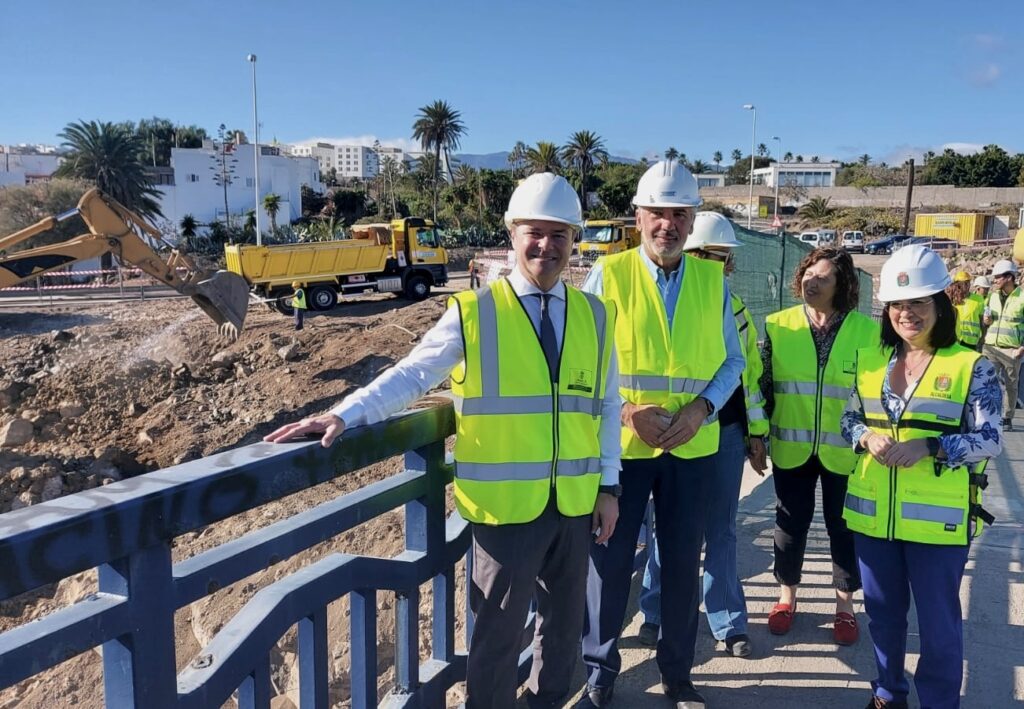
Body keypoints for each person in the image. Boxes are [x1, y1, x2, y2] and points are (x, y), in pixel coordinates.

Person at [264, 173, 622, 709]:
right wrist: (345, 412)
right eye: (534, 232)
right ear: (512, 235)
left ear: (573, 241)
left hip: (575, 502)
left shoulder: (595, 315)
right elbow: (413, 374)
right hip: (505, 512)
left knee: (565, 629)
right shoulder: (475, 312)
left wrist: (610, 486)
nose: (546, 246)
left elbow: (607, 405)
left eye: (558, 234)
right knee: (498, 641)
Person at [578, 161, 745, 709]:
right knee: (607, 564)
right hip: (621, 450)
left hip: (691, 447)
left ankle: (678, 676)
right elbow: (581, 359)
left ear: (692, 219)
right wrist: (627, 413)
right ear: (639, 215)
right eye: (658, 213)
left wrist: (700, 409)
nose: (668, 224)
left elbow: (733, 362)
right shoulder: (609, 275)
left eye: (679, 214)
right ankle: (599, 674)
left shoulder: (709, 280)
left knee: (679, 565)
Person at [840, 244, 1001, 709]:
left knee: (939, 626)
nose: (906, 313)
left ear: (940, 305)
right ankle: (888, 693)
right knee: (884, 617)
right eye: (897, 304)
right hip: (874, 519)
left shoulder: (973, 367)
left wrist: (931, 446)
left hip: (938, 524)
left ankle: (937, 702)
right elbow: (849, 420)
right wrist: (866, 437)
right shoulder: (873, 362)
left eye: (918, 303)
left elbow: (990, 436)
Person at [637, 211, 768, 659]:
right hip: (669, 433)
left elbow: (747, 376)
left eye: (725, 259)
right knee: (666, 528)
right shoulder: (663, 297)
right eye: (712, 257)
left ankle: (728, 622)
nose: (721, 267)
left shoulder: (734, 308)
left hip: (724, 432)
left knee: (721, 529)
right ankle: (654, 613)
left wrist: (757, 435)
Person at [760, 247, 879, 645]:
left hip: (846, 451)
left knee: (842, 528)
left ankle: (844, 608)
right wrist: (755, 437)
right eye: (807, 275)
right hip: (790, 444)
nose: (811, 282)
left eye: (822, 278)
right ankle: (785, 597)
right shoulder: (778, 326)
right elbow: (762, 389)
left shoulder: (868, 332)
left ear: (841, 284)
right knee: (789, 526)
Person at [981, 259, 1024, 431]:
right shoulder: (991, 297)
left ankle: (1007, 417)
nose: (995, 280)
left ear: (1009, 277)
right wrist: (986, 321)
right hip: (990, 347)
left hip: (1012, 351)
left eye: (998, 277)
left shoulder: (1022, 298)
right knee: (986, 381)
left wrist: (1022, 348)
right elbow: (987, 319)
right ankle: (985, 415)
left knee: (1011, 386)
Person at [947, 270, 984, 350]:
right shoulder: (953, 300)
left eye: (968, 282)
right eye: (964, 283)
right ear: (957, 285)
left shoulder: (978, 299)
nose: (967, 285)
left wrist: (982, 338)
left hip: (972, 341)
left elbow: (982, 321)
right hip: (957, 340)